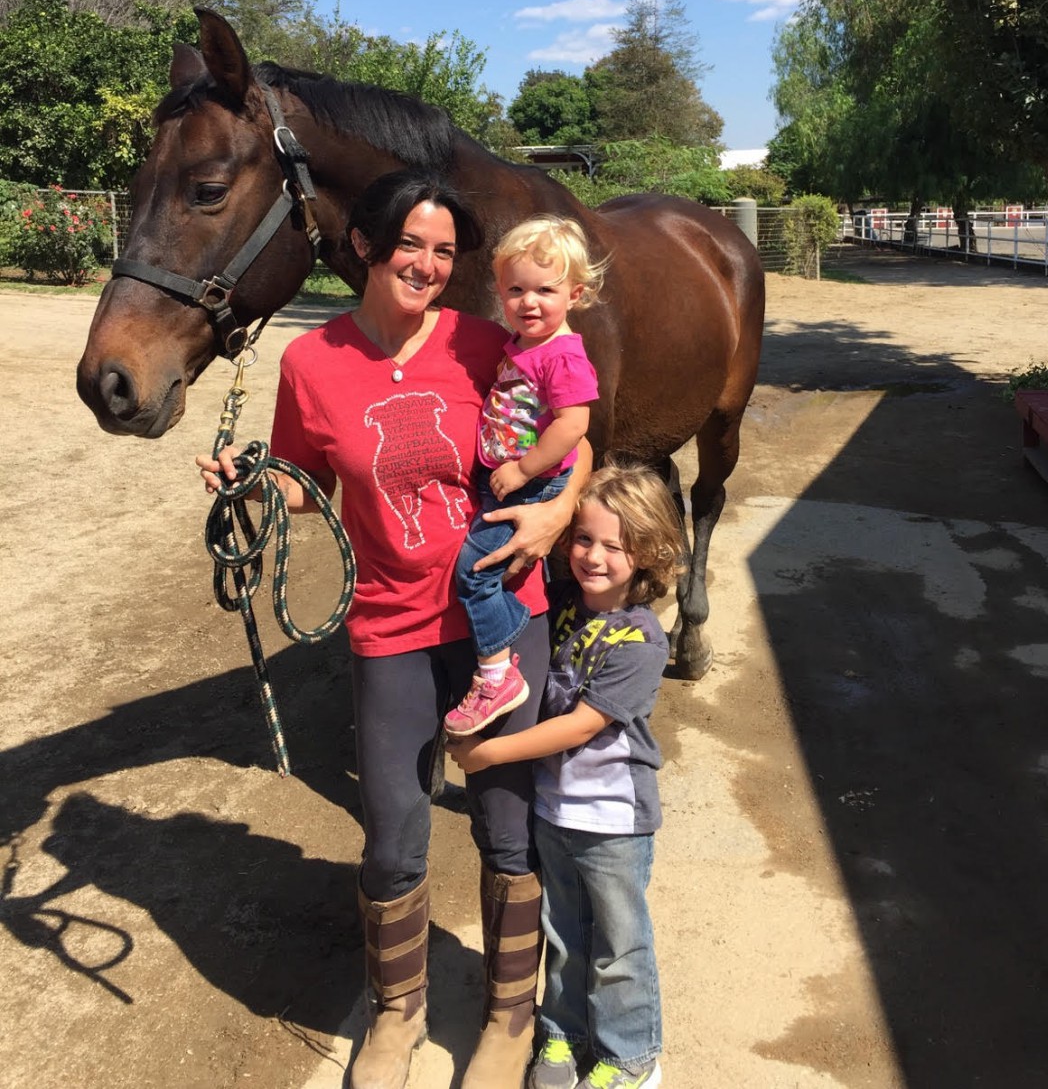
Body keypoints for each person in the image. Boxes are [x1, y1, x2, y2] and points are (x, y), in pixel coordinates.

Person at [196, 169, 592, 1089]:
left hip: (503, 610)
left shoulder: (490, 339)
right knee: (392, 828)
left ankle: (507, 1013)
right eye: (411, 244)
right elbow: (306, 484)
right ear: (368, 246)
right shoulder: (313, 362)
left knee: (506, 818)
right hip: (391, 622)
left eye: (446, 251)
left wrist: (556, 510)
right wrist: (256, 484)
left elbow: (576, 430)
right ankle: (396, 1014)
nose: (428, 263)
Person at [448, 462, 684, 1089]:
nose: (594, 556)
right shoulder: (561, 610)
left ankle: (630, 1053)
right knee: (562, 932)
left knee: (617, 945)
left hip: (613, 822)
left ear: (650, 553)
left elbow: (580, 726)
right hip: (555, 813)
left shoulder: (642, 639)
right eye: (584, 539)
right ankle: (561, 1035)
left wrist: (491, 755)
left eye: (615, 545)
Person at [444, 216, 605, 739]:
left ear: (575, 294)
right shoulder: (524, 344)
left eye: (545, 290)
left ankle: (497, 672)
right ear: (499, 292)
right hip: (512, 475)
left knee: (476, 572)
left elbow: (574, 425)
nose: (528, 302)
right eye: (515, 290)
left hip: (533, 482)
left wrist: (523, 468)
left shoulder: (562, 355)